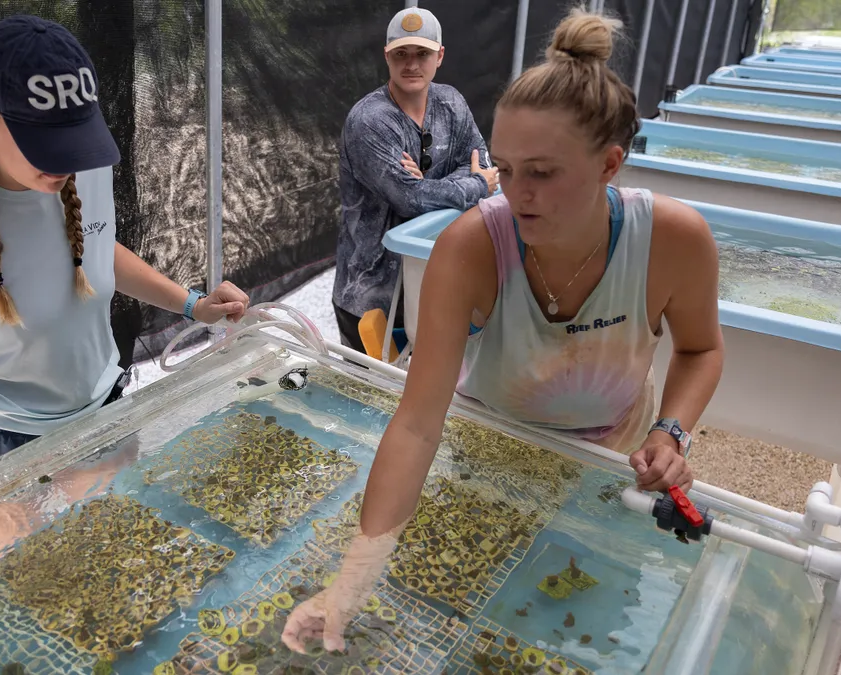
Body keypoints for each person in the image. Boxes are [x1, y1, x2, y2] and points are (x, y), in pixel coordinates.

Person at [284, 8, 723, 653]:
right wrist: (353, 579)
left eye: (542, 173)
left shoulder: (673, 241)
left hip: (610, 451)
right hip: (486, 437)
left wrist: (672, 429)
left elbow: (701, 348)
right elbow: (416, 422)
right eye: (507, 169)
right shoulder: (471, 246)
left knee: (582, 609)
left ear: (609, 164)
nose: (517, 195)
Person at [0, 15, 249, 501]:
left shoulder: (82, 168)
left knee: (103, 550)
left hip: (102, 407)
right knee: (4, 575)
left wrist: (191, 304)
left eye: (75, 139)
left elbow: (95, 250)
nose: (66, 162)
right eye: (45, 144)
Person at [333, 6, 500, 354]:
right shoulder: (371, 121)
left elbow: (480, 160)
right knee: (370, 391)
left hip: (431, 277)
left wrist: (430, 185)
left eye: (422, 53)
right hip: (371, 291)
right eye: (401, 54)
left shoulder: (451, 102)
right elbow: (410, 199)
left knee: (426, 383)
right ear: (387, 57)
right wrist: (476, 186)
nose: (411, 64)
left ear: (439, 56)